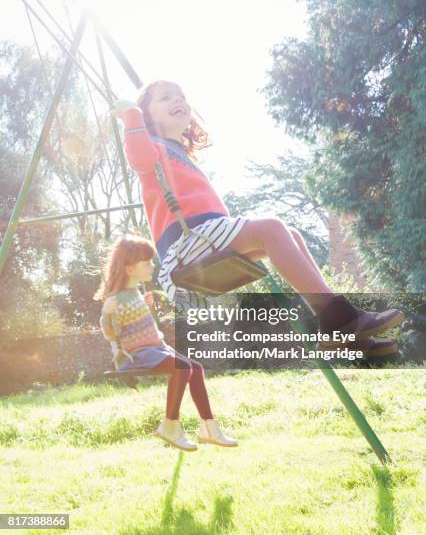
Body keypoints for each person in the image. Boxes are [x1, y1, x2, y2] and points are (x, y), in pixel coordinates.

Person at [114, 80, 403, 356]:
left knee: (290, 234)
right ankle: (340, 319)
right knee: (272, 229)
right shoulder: (151, 146)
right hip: (184, 247)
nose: (177, 99)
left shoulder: (180, 153)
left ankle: (339, 330)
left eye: (180, 95)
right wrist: (131, 116)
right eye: (165, 97)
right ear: (147, 117)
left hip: (206, 239)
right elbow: (138, 158)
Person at [94, 234, 238, 451]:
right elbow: (110, 332)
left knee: (195, 369)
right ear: (130, 269)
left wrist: (143, 304)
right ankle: (170, 425)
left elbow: (135, 322)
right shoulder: (116, 298)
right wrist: (106, 313)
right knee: (182, 367)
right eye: (147, 263)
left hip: (156, 348)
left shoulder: (135, 292)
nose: (153, 266)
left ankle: (209, 428)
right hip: (136, 355)